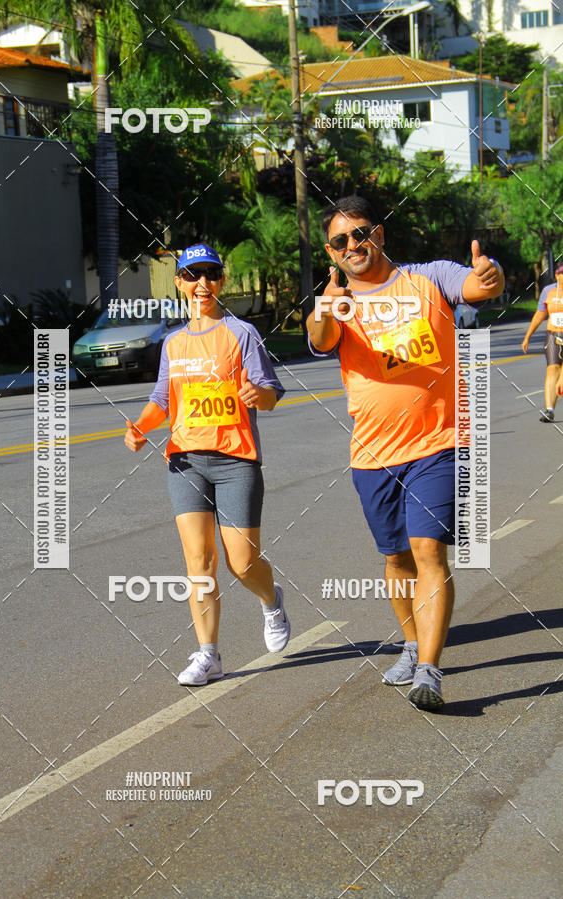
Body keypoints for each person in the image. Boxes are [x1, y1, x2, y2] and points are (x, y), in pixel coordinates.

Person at [306, 195, 504, 711]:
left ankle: (430, 672)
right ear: (331, 251)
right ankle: (411, 643)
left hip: (439, 443)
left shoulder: (428, 278)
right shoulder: (338, 300)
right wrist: (326, 306)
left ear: (381, 234)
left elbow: (478, 284)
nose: (355, 245)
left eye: (363, 233)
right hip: (372, 455)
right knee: (395, 557)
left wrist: (490, 276)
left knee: (428, 551)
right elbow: (320, 338)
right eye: (341, 241)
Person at [124, 244, 290, 685]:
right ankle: (208, 654)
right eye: (192, 275)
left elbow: (271, 389)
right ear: (179, 282)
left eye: (211, 275)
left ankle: (271, 602)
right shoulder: (173, 343)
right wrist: (141, 426)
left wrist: (262, 397)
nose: (202, 284)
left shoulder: (241, 334)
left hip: (236, 461)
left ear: (221, 281)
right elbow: (163, 399)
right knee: (199, 560)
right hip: (186, 462)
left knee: (242, 562)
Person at [521, 264, 563, 422]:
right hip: (554, 335)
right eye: (561, 274)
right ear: (557, 276)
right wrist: (527, 336)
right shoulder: (548, 291)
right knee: (552, 369)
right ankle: (549, 410)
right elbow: (539, 315)